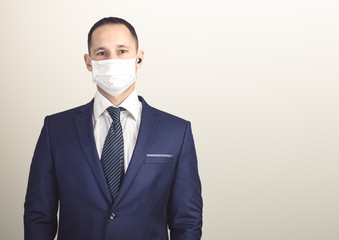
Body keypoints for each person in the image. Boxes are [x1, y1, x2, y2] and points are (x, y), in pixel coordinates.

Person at [24, 17, 202, 240]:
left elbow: (186, 221)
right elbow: (39, 215)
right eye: (102, 53)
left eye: (122, 51)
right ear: (89, 62)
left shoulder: (176, 132)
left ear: (139, 58)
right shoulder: (56, 129)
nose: (112, 59)